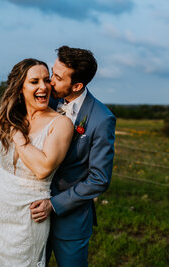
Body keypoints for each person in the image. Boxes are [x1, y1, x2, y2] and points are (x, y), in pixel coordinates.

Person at [0, 58, 73, 266]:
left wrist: (16, 133)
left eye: (47, 80)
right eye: (34, 81)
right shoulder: (12, 118)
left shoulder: (60, 123)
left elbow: (42, 168)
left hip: (27, 217)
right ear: (20, 88)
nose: (43, 86)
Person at [29, 46, 116, 266]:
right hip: (30, 211)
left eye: (57, 77)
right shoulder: (44, 99)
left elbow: (99, 179)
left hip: (70, 222)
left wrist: (54, 204)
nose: (49, 82)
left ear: (77, 85)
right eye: (52, 72)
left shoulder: (101, 119)